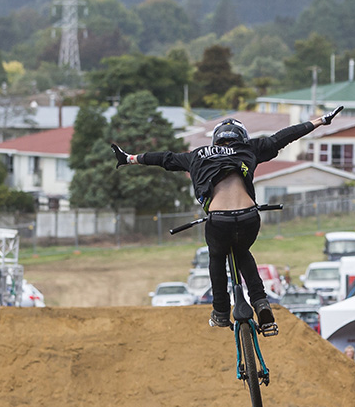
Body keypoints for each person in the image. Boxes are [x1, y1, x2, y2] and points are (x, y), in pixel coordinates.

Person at [115, 105, 342, 329]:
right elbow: (284, 136)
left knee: (216, 256)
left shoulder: (197, 155)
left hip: (219, 220)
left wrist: (129, 158)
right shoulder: (250, 149)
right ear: (241, 137)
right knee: (243, 252)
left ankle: (221, 312)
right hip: (248, 217)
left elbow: (164, 158)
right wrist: (320, 120)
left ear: (216, 139)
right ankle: (261, 302)